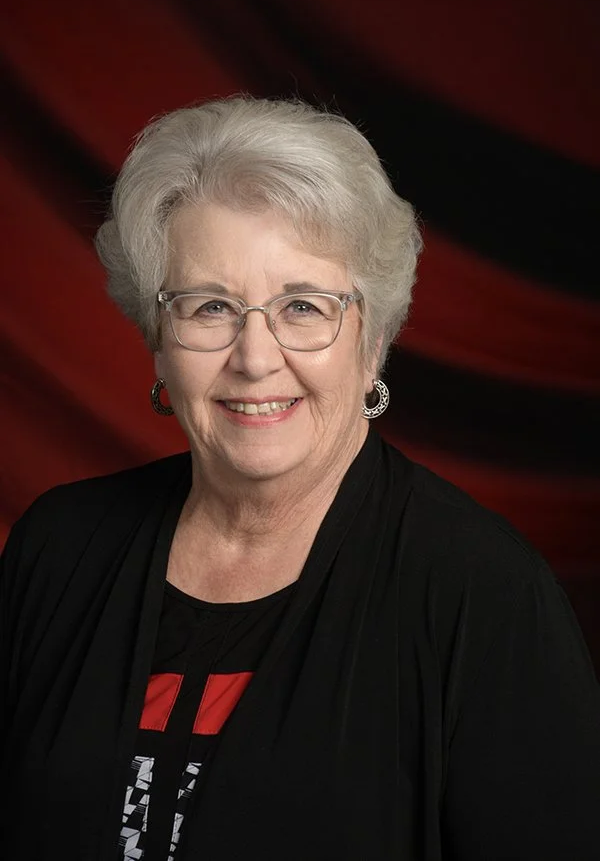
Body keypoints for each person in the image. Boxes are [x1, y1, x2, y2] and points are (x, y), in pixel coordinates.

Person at [1, 96, 599, 861]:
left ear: (373, 340)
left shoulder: (481, 593)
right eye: (211, 306)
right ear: (158, 341)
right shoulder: (57, 551)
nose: (255, 357)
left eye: (304, 307)